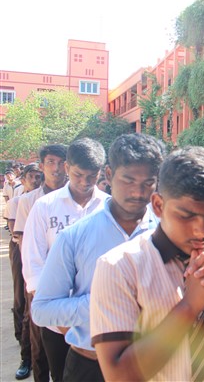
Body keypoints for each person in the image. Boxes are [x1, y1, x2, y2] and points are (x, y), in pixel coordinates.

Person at [90, 146, 204, 381]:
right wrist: (190, 305)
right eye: (186, 216)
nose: (202, 230)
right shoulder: (119, 267)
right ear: (158, 205)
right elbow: (119, 376)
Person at [31, 134, 165, 381]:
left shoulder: (168, 234)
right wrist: (103, 303)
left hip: (156, 366)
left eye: (148, 183)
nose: (138, 192)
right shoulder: (74, 236)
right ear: (109, 174)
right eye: (128, 180)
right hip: (90, 365)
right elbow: (42, 310)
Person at [22, 138, 108, 382]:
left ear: (102, 172)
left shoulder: (109, 207)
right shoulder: (45, 207)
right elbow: (34, 265)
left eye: (92, 176)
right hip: (57, 322)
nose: (84, 182)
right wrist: (62, 323)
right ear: (67, 167)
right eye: (78, 175)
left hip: (99, 319)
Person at [12, 144, 68, 382]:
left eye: (61, 162)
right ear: (43, 165)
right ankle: (29, 363)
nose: (56, 168)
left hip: (68, 280)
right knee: (35, 326)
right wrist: (35, 282)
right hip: (38, 276)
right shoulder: (28, 201)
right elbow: (25, 243)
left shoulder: (76, 197)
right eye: (51, 162)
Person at [5, 163, 43, 380]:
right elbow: (16, 233)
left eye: (38, 176)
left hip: (44, 257)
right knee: (23, 303)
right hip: (24, 253)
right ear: (23, 178)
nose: (35, 180)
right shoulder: (20, 201)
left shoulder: (51, 198)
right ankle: (25, 356)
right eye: (31, 176)